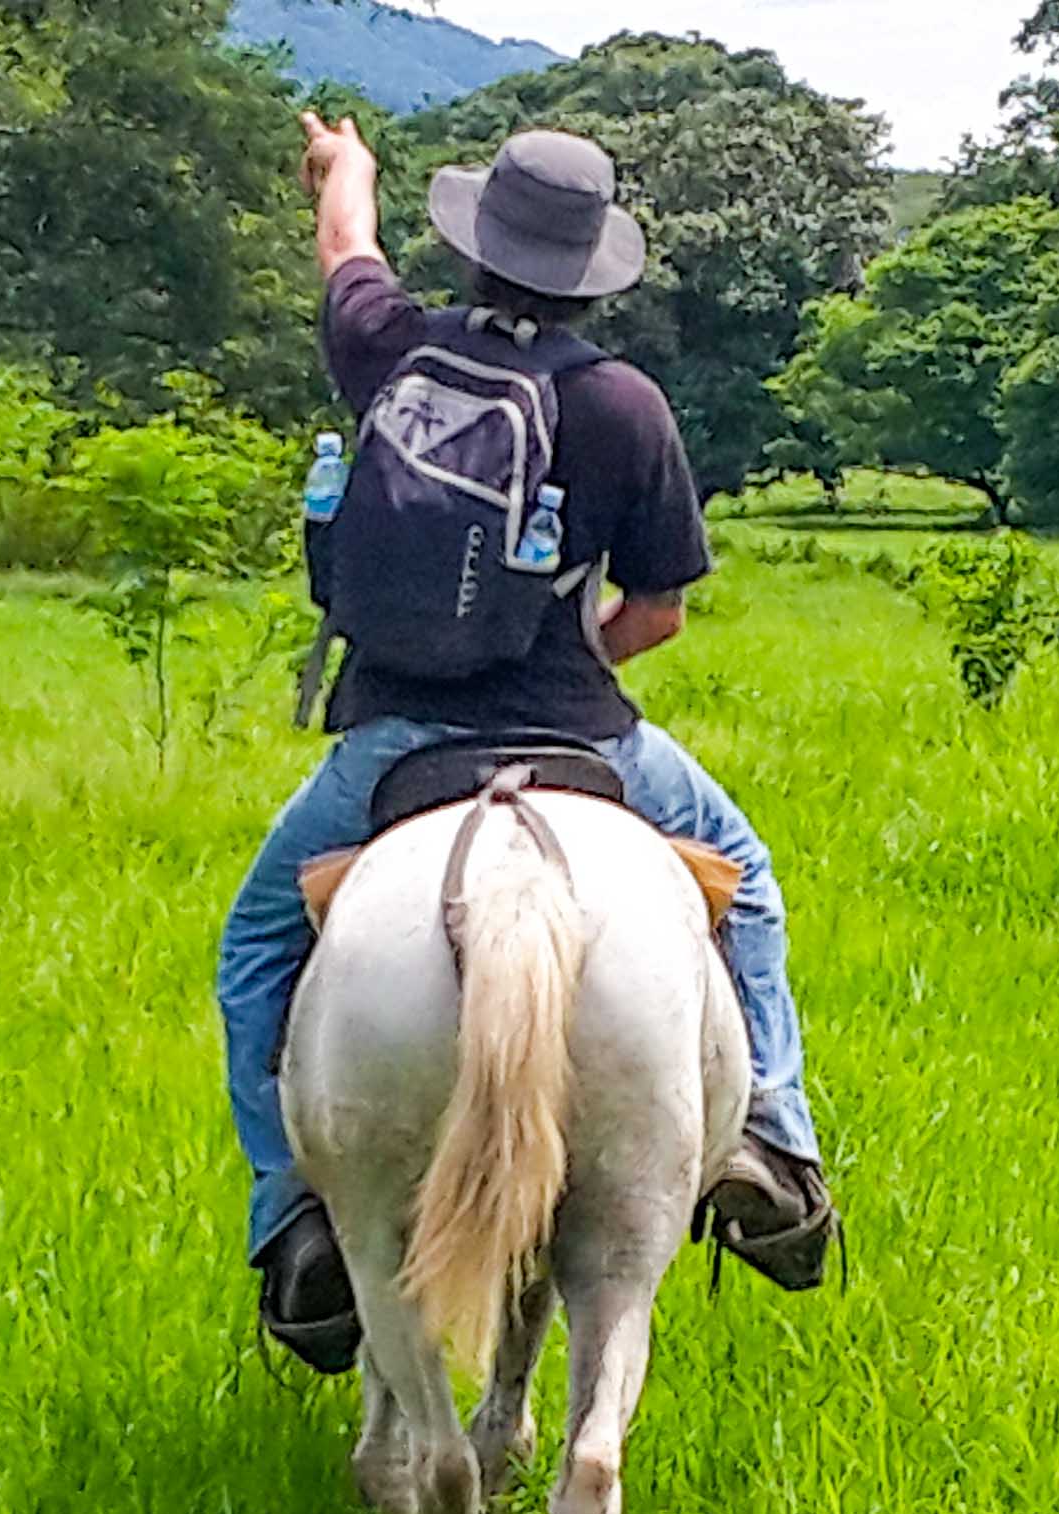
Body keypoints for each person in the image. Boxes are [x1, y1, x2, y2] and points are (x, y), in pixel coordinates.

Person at [218, 112, 836, 1374]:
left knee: (257, 945)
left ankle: (295, 1212)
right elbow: (657, 608)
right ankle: (770, 1138)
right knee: (748, 877)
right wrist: (573, 664)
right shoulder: (622, 404)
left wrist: (347, 167)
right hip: (581, 733)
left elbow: (345, 242)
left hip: (391, 744)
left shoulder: (389, 348)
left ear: (476, 247)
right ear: (590, 267)